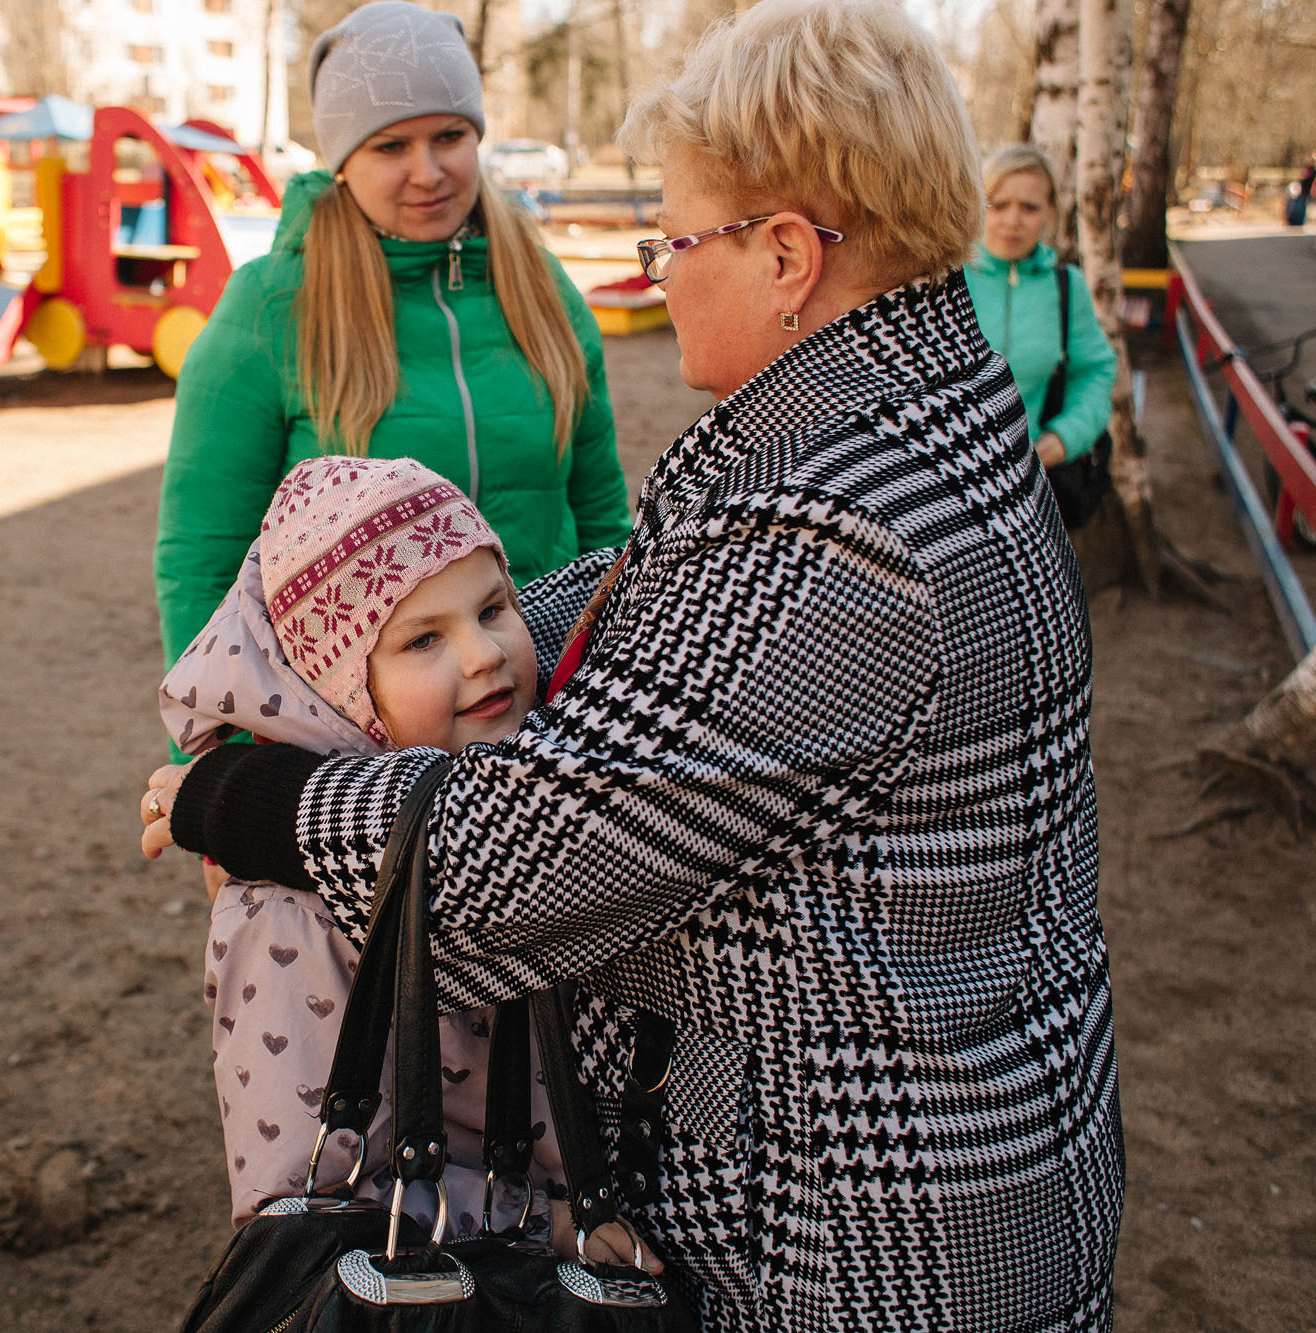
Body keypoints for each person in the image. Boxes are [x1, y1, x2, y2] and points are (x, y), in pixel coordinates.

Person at [143, 2, 1122, 1330]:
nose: (659, 271)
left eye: (675, 237)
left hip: (863, 1237)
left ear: (787, 256)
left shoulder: (849, 524)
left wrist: (257, 806)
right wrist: (352, 679)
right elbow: (646, 597)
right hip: (953, 1149)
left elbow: (530, 858)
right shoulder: (909, 410)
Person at [161, 455, 654, 1265]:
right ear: (343, 692)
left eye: (494, 608)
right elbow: (311, 1202)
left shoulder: (529, 800)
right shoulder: (288, 913)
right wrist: (544, 1222)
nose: (485, 655)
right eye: (424, 638)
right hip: (474, 1282)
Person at [154, 0, 633, 686]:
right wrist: (220, 771)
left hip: (542, 700)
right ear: (342, 161)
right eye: (390, 146)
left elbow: (601, 518)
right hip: (354, 743)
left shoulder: (542, 289)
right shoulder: (270, 308)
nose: (429, 171)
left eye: (449, 136)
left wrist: (608, 679)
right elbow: (202, 562)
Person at [962, 145, 1117, 476]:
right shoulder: (944, 279)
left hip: (1028, 480)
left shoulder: (1067, 286)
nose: (1012, 221)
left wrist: (1065, 437)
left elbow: (1095, 372)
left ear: (1050, 211)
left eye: (1029, 207)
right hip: (941, 481)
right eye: (998, 204)